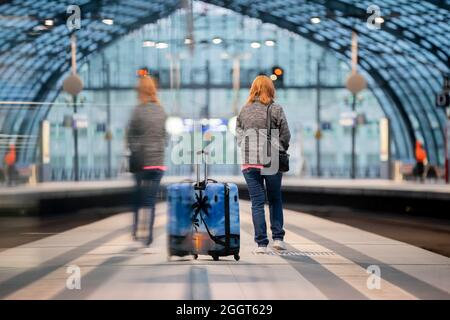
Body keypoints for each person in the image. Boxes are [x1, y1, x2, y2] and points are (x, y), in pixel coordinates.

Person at [236, 75, 291, 253]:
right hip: (271, 159)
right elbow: (285, 133)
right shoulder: (275, 108)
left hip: (249, 162)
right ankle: (278, 239)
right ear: (271, 89)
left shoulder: (244, 110)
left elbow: (238, 131)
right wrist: (280, 147)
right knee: (275, 199)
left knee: (257, 203)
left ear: (253, 89)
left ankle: (261, 244)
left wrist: (246, 146)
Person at [127, 76, 167, 246]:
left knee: (137, 196)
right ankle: (149, 236)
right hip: (157, 161)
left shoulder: (138, 110)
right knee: (151, 199)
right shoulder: (161, 110)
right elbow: (165, 135)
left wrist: (135, 148)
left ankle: (136, 230)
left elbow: (130, 135)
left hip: (141, 160)